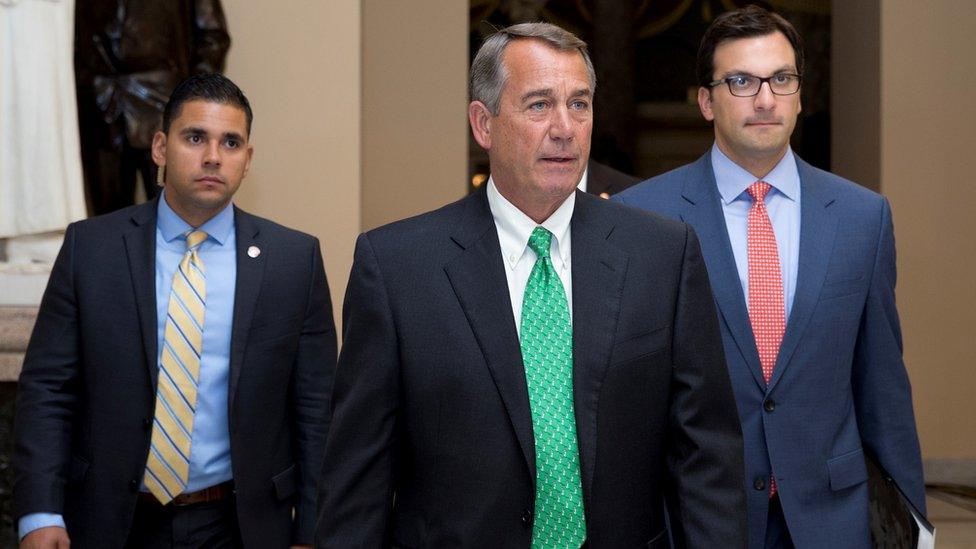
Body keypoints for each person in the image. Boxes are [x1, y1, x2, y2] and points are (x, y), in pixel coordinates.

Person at [317, 22, 746, 548]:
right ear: (483, 123)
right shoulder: (398, 268)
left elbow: (705, 459)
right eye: (539, 105)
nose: (565, 127)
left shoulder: (663, 255)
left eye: (580, 104)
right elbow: (357, 480)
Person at [615, 6, 925, 548]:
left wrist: (913, 525)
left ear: (800, 95)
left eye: (781, 79)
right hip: (699, 519)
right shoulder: (641, 216)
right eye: (741, 81)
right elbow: (628, 400)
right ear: (706, 101)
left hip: (833, 519)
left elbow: (882, 389)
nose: (765, 99)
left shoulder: (861, 218)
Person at [14, 74, 336, 548]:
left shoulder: (294, 260)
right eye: (195, 137)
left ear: (247, 160)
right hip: (107, 522)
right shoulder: (91, 249)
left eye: (230, 143)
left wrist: (311, 532)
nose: (212, 156)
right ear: (161, 147)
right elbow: (48, 391)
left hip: (238, 526)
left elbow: (316, 411)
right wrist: (40, 513)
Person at [75, 0, 230, 215]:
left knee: (174, 208)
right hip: (99, 103)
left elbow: (213, 37)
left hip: (163, 100)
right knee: (106, 214)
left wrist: (191, 97)